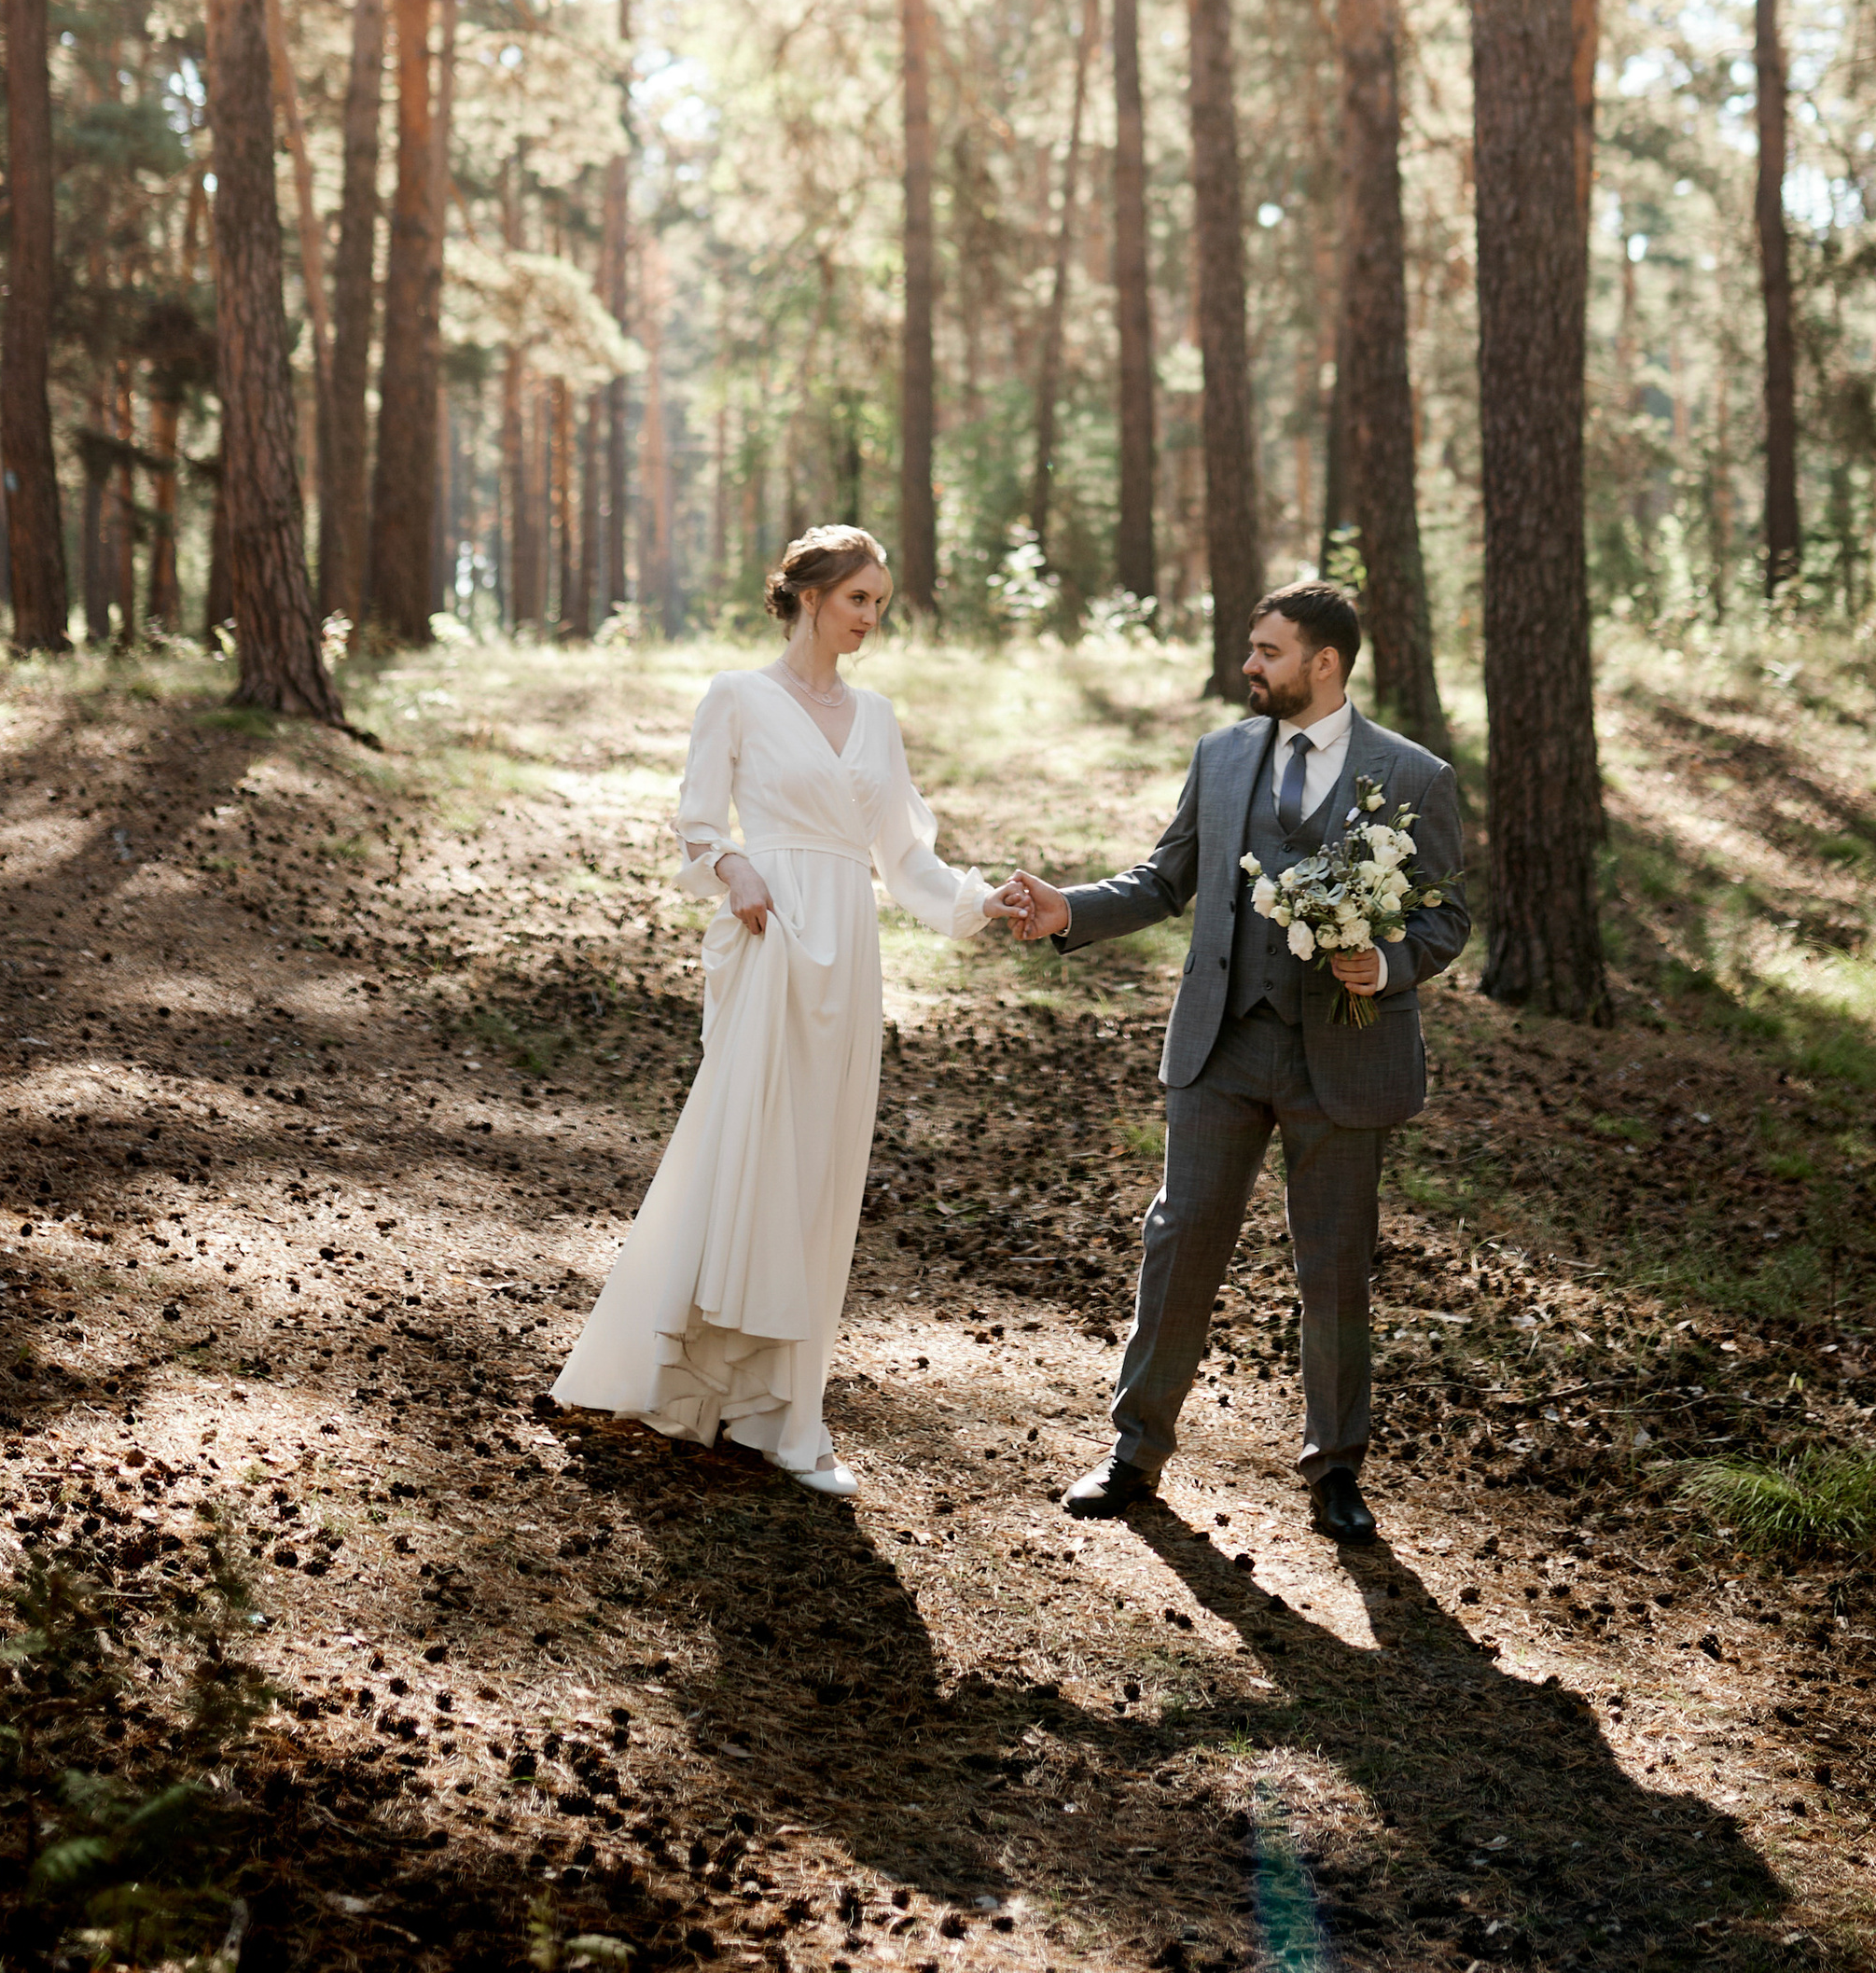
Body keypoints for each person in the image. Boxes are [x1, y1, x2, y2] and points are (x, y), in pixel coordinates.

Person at [993, 580, 1467, 1544]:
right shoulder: (1219, 757)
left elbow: (1445, 915)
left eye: (1267, 651)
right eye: (1251, 649)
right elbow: (1165, 878)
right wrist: (1069, 910)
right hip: (1220, 1044)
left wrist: (1387, 962)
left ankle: (1335, 1468)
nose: (1247, 666)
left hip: (1345, 1057)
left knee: (1332, 1267)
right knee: (1180, 1242)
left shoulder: (1415, 777)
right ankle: (1133, 1452)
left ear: (1323, 664)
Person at [552, 523, 995, 1495]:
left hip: (851, 955)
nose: (871, 617)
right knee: (745, 1148)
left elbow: (904, 856)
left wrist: (976, 902)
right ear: (807, 596)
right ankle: (681, 1373)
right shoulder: (738, 696)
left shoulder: (875, 716)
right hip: (771, 941)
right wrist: (737, 863)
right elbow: (698, 825)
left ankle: (787, 1415)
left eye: (880, 602)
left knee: (822, 1171)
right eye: (857, 599)